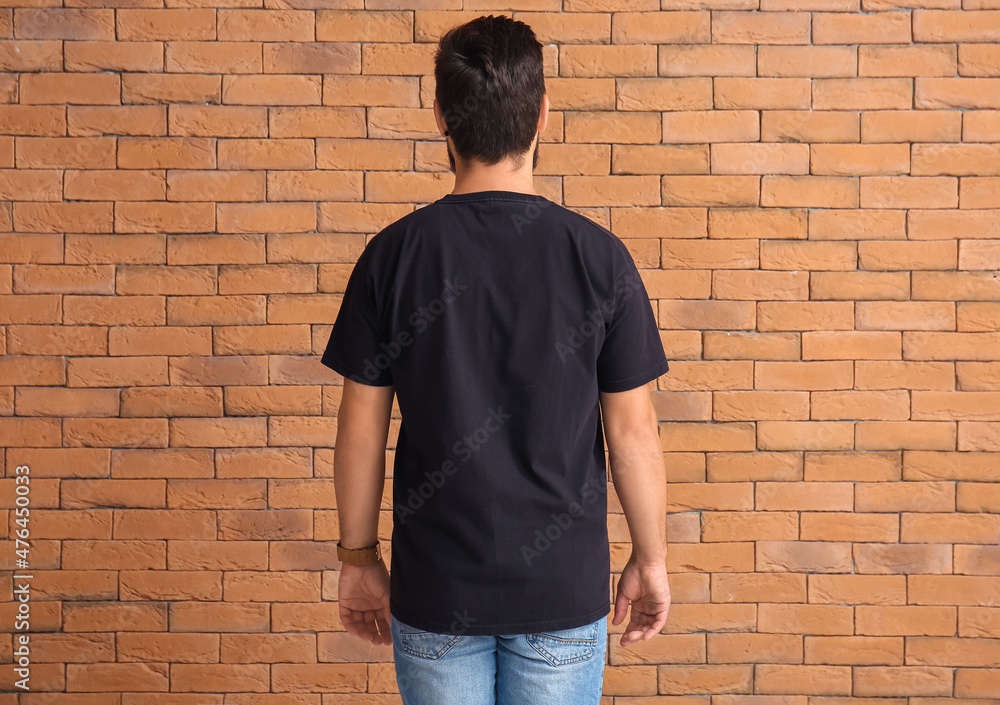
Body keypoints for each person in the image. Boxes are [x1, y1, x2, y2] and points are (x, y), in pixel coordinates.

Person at [322, 14, 671, 705]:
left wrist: (358, 558)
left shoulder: (394, 257)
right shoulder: (599, 259)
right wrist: (650, 558)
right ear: (544, 114)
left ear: (440, 118)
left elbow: (360, 426)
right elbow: (634, 432)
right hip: (562, 594)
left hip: (436, 590)